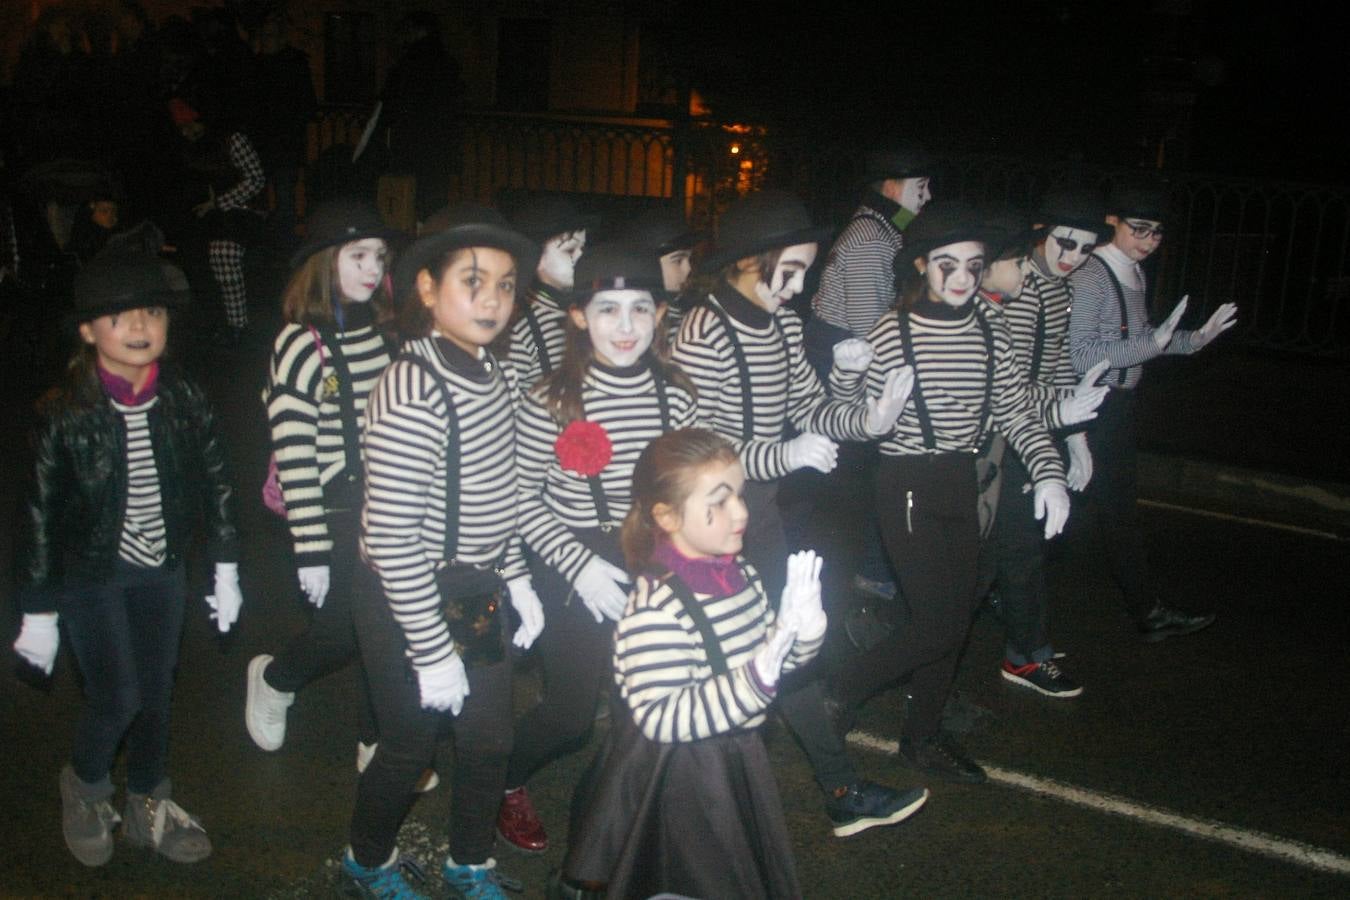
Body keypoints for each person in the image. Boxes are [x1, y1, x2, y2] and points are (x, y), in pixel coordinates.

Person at [673, 189, 926, 837]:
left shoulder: (781, 324)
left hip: (757, 513)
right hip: (703, 520)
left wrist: (861, 408)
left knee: (777, 645)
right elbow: (706, 452)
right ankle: (631, 822)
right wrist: (784, 454)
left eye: (804, 273)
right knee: (710, 663)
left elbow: (814, 411)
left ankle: (836, 787)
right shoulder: (704, 331)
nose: (798, 288)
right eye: (788, 272)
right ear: (748, 262)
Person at [11, 252, 242, 866]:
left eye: (153, 311)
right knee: (118, 695)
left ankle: (147, 798)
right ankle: (86, 786)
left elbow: (217, 479)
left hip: (162, 569)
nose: (140, 325)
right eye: (119, 315)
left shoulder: (183, 398)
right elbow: (37, 515)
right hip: (91, 574)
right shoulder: (65, 413)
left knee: (158, 691)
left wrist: (224, 565)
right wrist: (37, 611)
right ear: (88, 331)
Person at [828, 202, 1071, 784]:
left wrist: (1050, 469)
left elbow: (1015, 409)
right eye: (947, 265)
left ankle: (921, 739)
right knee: (937, 623)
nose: (962, 277)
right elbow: (843, 413)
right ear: (920, 265)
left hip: (962, 482)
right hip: (906, 481)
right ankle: (834, 693)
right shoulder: (892, 329)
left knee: (953, 621)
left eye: (972, 265)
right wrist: (846, 371)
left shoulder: (991, 328)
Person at [342, 205, 545, 899]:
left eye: (507, 285)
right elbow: (394, 539)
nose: (493, 299)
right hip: (405, 592)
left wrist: (515, 576)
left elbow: (503, 490)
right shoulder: (411, 386)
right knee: (410, 745)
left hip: (475, 586)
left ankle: (469, 863)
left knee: (489, 739)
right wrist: (430, 649)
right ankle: (365, 861)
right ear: (426, 289)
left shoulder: (497, 372)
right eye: (473, 281)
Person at [554, 428, 831, 900]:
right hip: (681, 787)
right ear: (666, 515)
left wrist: (803, 634)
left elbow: (768, 664)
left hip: (735, 765)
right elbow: (663, 716)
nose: (741, 512)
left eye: (740, 495)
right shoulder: (655, 608)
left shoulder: (736, 572)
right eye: (719, 502)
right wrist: (758, 675)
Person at [498, 243, 700, 855]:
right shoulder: (551, 398)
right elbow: (518, 498)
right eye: (608, 310)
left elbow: (686, 489)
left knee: (647, 701)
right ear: (580, 317)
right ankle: (501, 779)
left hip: (651, 552)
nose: (627, 326)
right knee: (570, 712)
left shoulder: (679, 394)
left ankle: (604, 824)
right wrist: (579, 564)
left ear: (660, 315)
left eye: (641, 309)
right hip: (571, 553)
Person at [243, 200, 427, 783]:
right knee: (342, 630)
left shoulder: (384, 335)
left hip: (386, 501)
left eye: (379, 256)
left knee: (393, 622)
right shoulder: (300, 344)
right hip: (332, 505)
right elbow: (296, 454)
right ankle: (275, 679)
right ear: (325, 263)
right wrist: (312, 549)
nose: (373, 268)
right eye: (358, 256)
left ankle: (377, 740)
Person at [1068, 182, 1237, 641]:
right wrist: (1152, 343)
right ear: (1112, 223)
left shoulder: (1132, 272)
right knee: (1094, 510)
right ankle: (1148, 612)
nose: (1147, 242)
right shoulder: (1092, 275)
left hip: (1116, 407)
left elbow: (1144, 343)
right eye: (1139, 229)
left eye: (1157, 234)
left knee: (1099, 511)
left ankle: (1147, 610)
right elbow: (1080, 355)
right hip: (1090, 408)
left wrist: (1195, 340)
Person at [975, 192, 1111, 698]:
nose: (1072, 257)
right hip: (999, 435)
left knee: (1015, 549)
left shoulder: (1059, 289)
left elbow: (1052, 367)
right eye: (1065, 243)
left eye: (1086, 250)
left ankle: (1024, 646)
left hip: (1032, 429)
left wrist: (1074, 438)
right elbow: (1003, 387)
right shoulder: (1010, 284)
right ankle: (1021, 652)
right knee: (1008, 550)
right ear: (1040, 233)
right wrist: (1063, 412)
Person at [168, 96, 265, 345]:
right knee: (192, 257)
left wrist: (220, 202)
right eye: (182, 129)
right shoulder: (187, 149)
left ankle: (237, 326)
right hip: (203, 217)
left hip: (238, 212)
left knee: (224, 253)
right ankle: (212, 322)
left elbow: (255, 179)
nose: (188, 132)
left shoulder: (232, 140)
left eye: (192, 125)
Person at [508, 197, 596, 391]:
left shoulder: (586, 309)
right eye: (570, 250)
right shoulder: (520, 328)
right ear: (535, 259)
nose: (581, 257)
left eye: (582, 248)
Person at [620, 203, 702, 338]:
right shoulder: (631, 321)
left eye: (689, 259)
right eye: (678, 260)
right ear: (647, 264)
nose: (688, 268)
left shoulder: (685, 310)